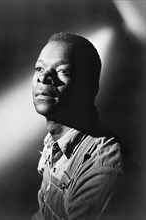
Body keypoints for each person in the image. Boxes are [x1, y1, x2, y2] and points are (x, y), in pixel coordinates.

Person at [31, 32, 124, 220]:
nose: (44, 77)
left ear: (89, 88)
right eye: (39, 69)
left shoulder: (102, 169)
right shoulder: (55, 141)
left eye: (63, 71)